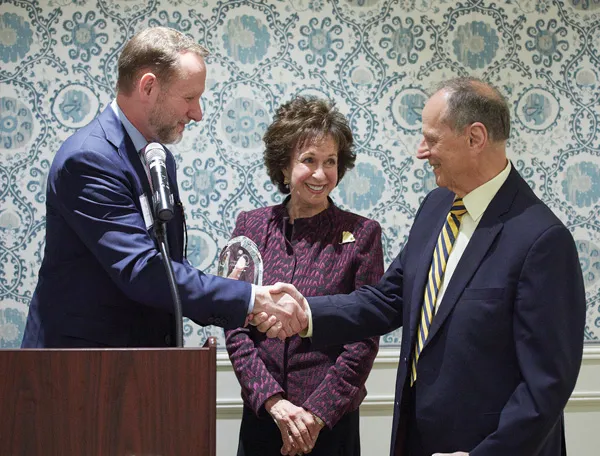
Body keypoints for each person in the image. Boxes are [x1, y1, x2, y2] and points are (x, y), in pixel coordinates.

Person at [268, 78, 586, 456]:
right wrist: (305, 312)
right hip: (416, 438)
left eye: (432, 139)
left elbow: (546, 384)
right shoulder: (436, 207)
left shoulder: (542, 239)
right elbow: (388, 299)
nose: (422, 152)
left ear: (475, 138)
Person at [21, 26, 305, 348]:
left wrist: (226, 293)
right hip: (80, 369)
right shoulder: (88, 160)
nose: (197, 114)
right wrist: (250, 299)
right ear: (148, 87)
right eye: (189, 98)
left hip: (142, 365)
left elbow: (169, 264)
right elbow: (142, 270)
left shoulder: (157, 157)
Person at [225, 96, 383, 456]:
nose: (321, 174)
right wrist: (273, 402)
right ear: (284, 167)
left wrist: (315, 414)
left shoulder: (362, 234)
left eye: (330, 162)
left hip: (330, 425)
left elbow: (364, 337)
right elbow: (234, 326)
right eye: (308, 161)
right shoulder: (250, 226)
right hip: (263, 418)